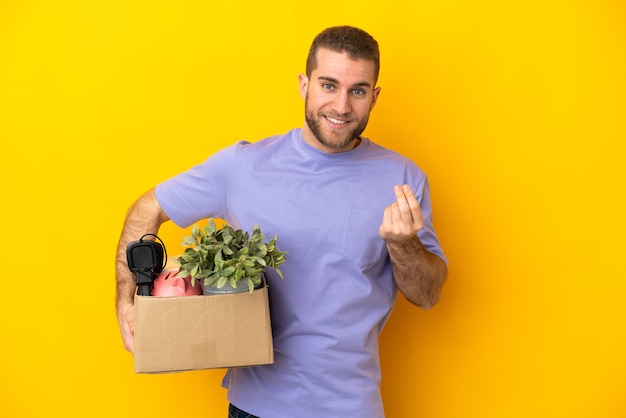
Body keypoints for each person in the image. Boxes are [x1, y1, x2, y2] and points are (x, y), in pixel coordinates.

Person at [116, 25, 448, 418]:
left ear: (374, 97)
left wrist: (403, 244)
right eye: (328, 85)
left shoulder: (403, 180)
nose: (341, 106)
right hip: (255, 407)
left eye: (357, 90)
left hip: (352, 408)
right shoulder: (244, 166)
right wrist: (128, 300)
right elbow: (148, 208)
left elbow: (427, 295)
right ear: (304, 85)